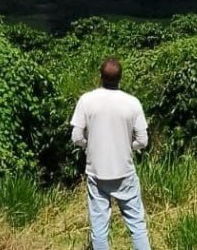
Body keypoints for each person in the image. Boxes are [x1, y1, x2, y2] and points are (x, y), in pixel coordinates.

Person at [70, 57, 150, 250]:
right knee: (137, 225)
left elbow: (76, 137)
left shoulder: (86, 100)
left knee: (99, 228)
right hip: (125, 172)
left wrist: (89, 145)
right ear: (120, 78)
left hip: (97, 173)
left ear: (101, 76)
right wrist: (127, 145)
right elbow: (143, 141)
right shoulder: (132, 103)